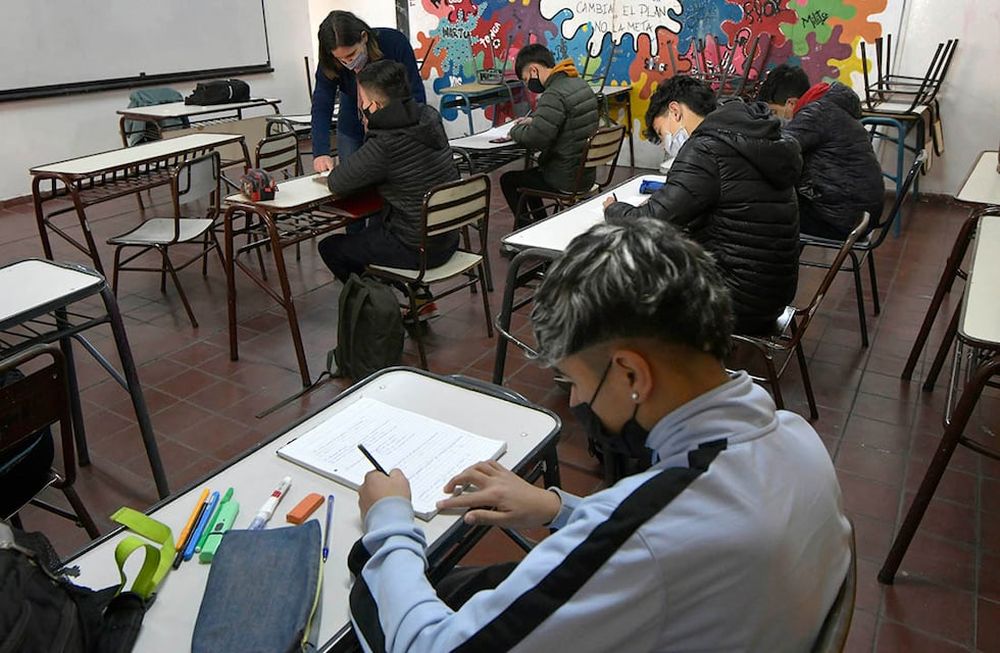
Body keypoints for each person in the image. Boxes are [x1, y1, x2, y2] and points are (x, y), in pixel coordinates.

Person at [348, 218, 852, 652]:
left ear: (631, 375)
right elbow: (655, 531)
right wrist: (557, 509)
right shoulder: (795, 438)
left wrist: (388, 522)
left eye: (577, 381)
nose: (575, 403)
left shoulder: (653, 532)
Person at [603, 76, 802, 336]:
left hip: (735, 299)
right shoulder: (750, 135)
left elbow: (650, 222)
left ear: (675, 110)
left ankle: (661, 365)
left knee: (626, 277)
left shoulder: (705, 149)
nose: (667, 144)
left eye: (663, 133)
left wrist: (613, 209)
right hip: (773, 291)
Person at [317, 60, 458, 310]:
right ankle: (419, 298)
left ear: (375, 105)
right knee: (379, 222)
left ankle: (380, 311)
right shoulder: (429, 116)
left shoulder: (385, 143)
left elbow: (338, 182)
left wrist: (369, 129)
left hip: (418, 248)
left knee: (331, 247)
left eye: (362, 99)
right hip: (447, 234)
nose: (360, 105)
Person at [312, 11, 425, 233]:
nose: (348, 62)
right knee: (351, 191)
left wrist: (413, 133)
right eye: (341, 59)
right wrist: (321, 151)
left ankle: (379, 237)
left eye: (352, 54)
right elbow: (321, 105)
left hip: (393, 128)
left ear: (364, 37)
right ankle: (357, 244)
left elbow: (415, 93)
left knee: (386, 186)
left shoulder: (393, 43)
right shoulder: (330, 62)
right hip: (352, 126)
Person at [759, 65, 885, 240]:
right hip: (861, 211)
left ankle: (774, 266)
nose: (775, 118)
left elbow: (778, 151)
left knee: (760, 209)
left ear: (791, 103)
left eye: (774, 112)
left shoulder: (814, 114)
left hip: (842, 219)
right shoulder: (829, 104)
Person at [501, 44, 599, 226]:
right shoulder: (578, 83)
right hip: (585, 174)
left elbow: (536, 139)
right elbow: (567, 121)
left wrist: (514, 131)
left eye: (525, 79)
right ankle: (539, 224)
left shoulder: (553, 94)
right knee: (528, 178)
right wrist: (536, 120)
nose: (528, 85)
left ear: (533, 70)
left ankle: (524, 231)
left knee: (509, 180)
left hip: (565, 177)